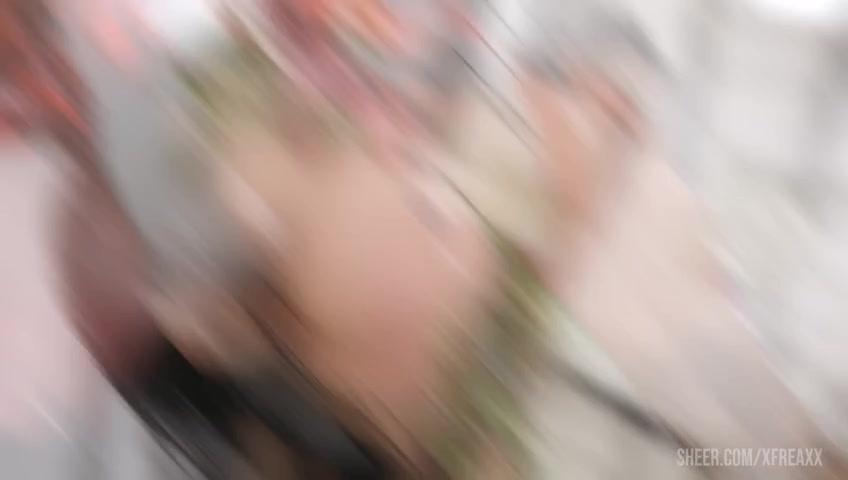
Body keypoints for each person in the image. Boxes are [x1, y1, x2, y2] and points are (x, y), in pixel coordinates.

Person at [59, 1, 665, 478]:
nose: (613, 146)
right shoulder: (253, 126)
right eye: (609, 112)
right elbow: (173, 336)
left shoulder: (506, 218)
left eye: (626, 128)